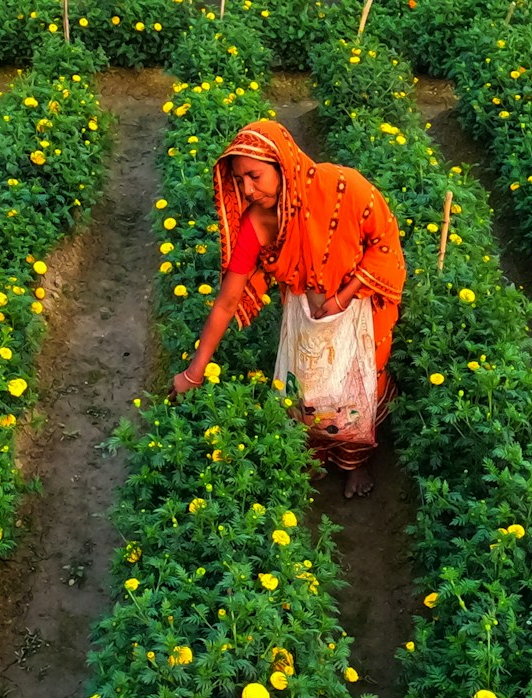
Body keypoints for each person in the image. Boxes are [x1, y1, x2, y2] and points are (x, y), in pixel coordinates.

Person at [172, 119, 406, 498]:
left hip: (358, 308)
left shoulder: (344, 188)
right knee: (307, 392)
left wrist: (341, 297)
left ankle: (356, 464)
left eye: (255, 176)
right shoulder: (257, 222)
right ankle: (314, 459)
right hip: (305, 317)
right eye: (240, 180)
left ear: (283, 165)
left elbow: (384, 242)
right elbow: (228, 300)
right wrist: (194, 372)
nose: (248, 189)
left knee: (355, 390)